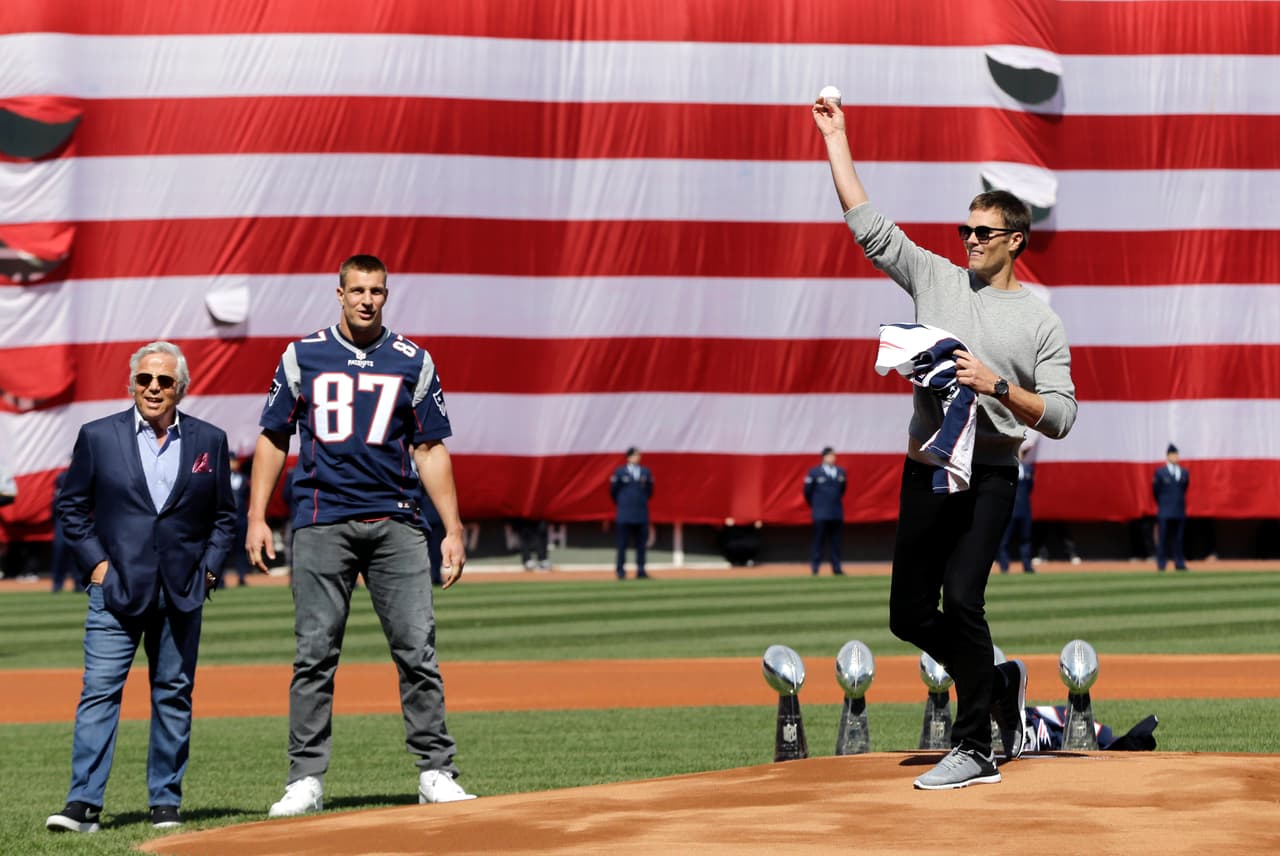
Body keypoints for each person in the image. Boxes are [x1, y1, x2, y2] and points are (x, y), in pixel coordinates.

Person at [813, 95, 1077, 790]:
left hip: (989, 475)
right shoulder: (935, 275)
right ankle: (995, 682)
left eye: (984, 232)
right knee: (907, 615)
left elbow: (1062, 415)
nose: (969, 239)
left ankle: (976, 747)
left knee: (963, 599)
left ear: (1016, 239)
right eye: (965, 229)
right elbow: (867, 226)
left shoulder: (1040, 323)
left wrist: (997, 386)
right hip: (928, 469)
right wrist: (836, 137)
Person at [246, 254, 475, 817]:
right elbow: (274, 437)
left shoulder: (413, 359)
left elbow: (430, 447)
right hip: (323, 520)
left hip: (397, 520)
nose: (368, 300)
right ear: (340, 293)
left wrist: (453, 526)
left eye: (377, 291)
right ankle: (305, 779)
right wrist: (257, 515)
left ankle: (435, 770)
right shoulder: (302, 355)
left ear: (386, 295)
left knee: (417, 651)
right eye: (358, 290)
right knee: (314, 655)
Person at [45, 342, 236, 833]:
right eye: (145, 380)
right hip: (115, 591)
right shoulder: (98, 436)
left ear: (181, 388)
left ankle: (165, 802)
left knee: (173, 694)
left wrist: (209, 571)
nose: (153, 388)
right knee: (99, 694)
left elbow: (224, 518)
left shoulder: (209, 440)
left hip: (182, 592)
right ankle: (83, 805)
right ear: (131, 384)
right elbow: (71, 507)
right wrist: (97, 567)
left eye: (164, 381)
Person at [609, 447, 653, 580]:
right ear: (628, 457)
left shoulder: (645, 472)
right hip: (624, 514)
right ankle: (620, 570)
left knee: (641, 545)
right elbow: (613, 492)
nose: (638, 457)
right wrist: (623, 504)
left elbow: (650, 491)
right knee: (622, 544)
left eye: (639, 455)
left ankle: (641, 570)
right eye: (635, 455)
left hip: (641, 513)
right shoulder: (620, 472)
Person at [803, 447, 847, 576]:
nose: (832, 458)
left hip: (836, 512)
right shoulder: (814, 472)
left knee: (836, 542)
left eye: (833, 455)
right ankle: (815, 567)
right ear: (823, 457)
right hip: (820, 513)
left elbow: (842, 490)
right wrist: (816, 505)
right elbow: (807, 492)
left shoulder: (840, 472)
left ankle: (836, 567)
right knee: (818, 541)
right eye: (830, 456)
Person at [996, 444, 1035, 574]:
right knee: (1004, 540)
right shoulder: (1007, 467)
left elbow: (1030, 487)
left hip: (1025, 510)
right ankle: (1004, 567)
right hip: (1009, 509)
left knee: (1026, 538)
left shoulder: (1028, 468)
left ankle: (1027, 566)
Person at [1152, 443, 1189, 571]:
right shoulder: (1160, 472)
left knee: (1178, 539)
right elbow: (1155, 491)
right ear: (1168, 456)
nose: (1175, 457)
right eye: (1173, 454)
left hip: (1179, 510)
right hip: (1165, 510)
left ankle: (1179, 563)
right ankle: (1161, 564)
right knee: (1163, 539)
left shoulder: (1184, 472)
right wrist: (1163, 504)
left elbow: (1184, 489)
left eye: (1176, 454)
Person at [220, 454, 251, 587]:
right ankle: (218, 579)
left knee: (241, 550)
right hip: (224, 520)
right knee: (221, 551)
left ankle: (242, 576)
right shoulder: (220, 478)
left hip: (241, 520)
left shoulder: (243, 479)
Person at [50, 466, 80, 592]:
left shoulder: (83, 475)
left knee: (78, 551)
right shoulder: (62, 477)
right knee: (60, 549)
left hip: (79, 519)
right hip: (62, 519)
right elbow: (55, 503)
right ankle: (57, 583)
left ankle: (79, 583)